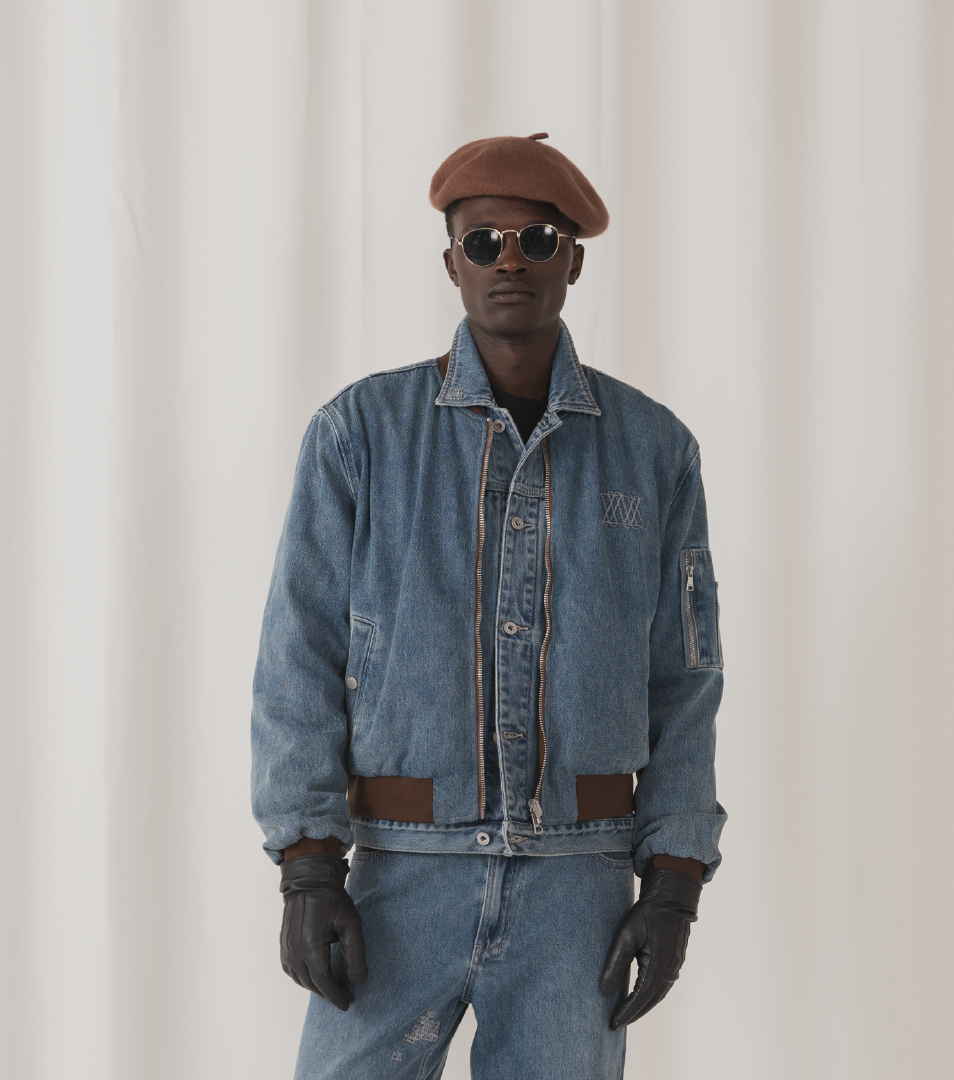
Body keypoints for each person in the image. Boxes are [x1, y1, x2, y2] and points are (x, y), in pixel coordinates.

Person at [252, 133, 726, 1080]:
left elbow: (686, 679)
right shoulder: (360, 434)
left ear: (574, 261)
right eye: (484, 242)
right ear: (452, 264)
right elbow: (298, 653)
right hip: (399, 872)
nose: (510, 261)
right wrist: (308, 866)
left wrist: (674, 882)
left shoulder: (654, 449)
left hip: (579, 886)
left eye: (537, 241)